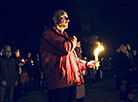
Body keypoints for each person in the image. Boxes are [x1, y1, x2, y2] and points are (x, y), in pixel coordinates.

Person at [40, 9, 95, 102]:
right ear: (55, 19)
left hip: (70, 83)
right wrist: (73, 40)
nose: (67, 20)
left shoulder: (64, 37)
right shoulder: (48, 35)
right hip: (59, 85)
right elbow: (65, 49)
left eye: (68, 18)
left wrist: (85, 64)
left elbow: (72, 61)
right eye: (63, 17)